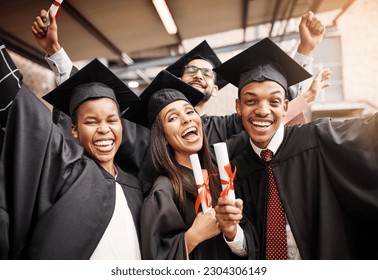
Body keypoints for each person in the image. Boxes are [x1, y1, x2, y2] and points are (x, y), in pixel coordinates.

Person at [213, 37, 378, 259]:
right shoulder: (236, 172)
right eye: (251, 101)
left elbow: (368, 132)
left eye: (273, 102)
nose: (263, 111)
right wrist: (232, 231)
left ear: (285, 107)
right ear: (238, 107)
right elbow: (248, 246)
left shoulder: (318, 138)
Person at [0, 42, 144, 259]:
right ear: (74, 130)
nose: (104, 129)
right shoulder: (66, 171)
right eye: (91, 121)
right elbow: (21, 108)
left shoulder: (137, 187)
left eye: (112, 120)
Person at [123, 70, 257, 260]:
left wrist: (232, 231)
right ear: (164, 138)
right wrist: (191, 238)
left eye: (189, 111)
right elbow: (155, 261)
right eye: (172, 118)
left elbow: (249, 247)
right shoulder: (164, 193)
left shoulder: (222, 176)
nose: (186, 119)